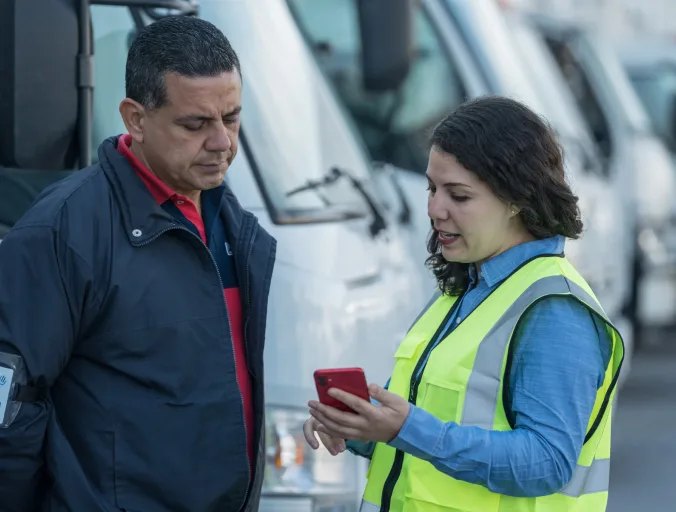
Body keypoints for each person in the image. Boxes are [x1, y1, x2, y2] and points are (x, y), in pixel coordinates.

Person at [0, 15, 276, 512]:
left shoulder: (234, 224)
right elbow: (10, 405)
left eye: (231, 117)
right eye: (196, 124)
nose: (222, 143)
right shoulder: (61, 232)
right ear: (135, 118)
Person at [303, 96, 624, 512]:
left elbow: (547, 462)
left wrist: (406, 428)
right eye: (432, 188)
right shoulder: (467, 288)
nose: (435, 209)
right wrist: (363, 426)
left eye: (459, 195)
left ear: (516, 199)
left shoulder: (554, 310)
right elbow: (430, 432)